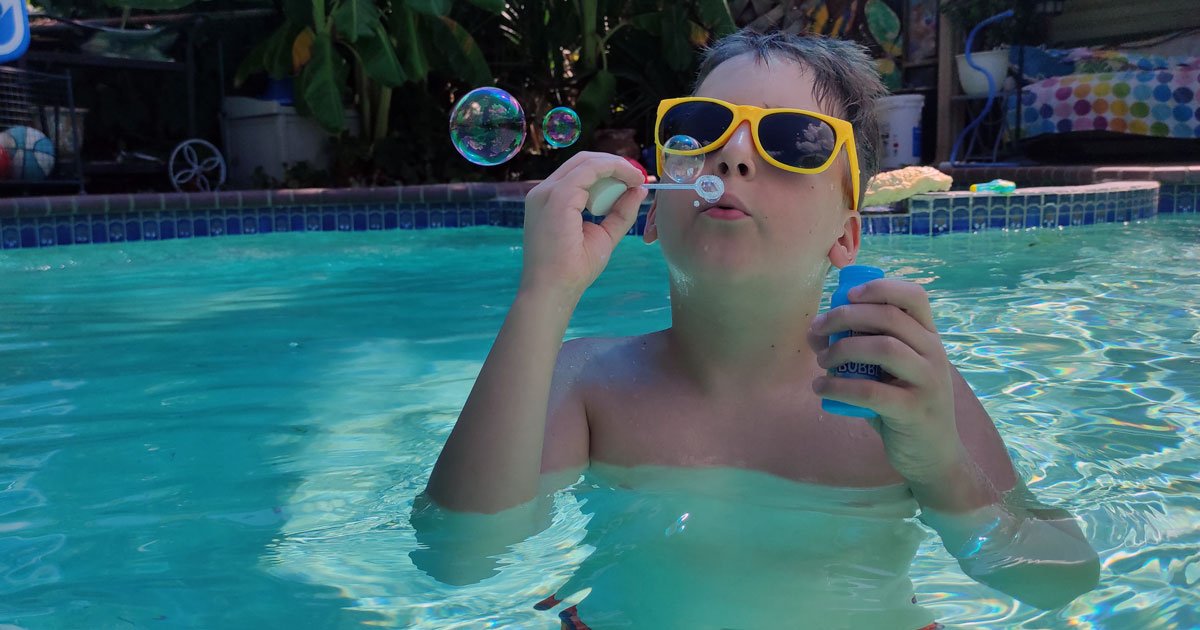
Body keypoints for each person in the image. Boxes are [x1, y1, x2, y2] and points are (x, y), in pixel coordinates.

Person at [415, 29, 1100, 629]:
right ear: (652, 212)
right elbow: (460, 558)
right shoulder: (592, 383)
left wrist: (941, 468)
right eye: (698, 128)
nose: (731, 157)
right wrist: (544, 293)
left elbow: (1058, 577)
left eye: (792, 142)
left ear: (846, 234)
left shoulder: (901, 397)